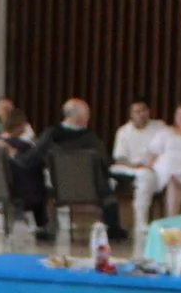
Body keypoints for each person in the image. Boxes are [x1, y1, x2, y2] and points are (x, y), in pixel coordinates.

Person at [17, 97, 117, 238]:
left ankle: (45, 225)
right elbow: (104, 163)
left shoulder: (50, 135)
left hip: (58, 188)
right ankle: (113, 229)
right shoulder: (91, 138)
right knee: (109, 187)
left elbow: (30, 159)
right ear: (80, 117)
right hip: (92, 190)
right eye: (87, 114)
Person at [111, 99, 168, 232]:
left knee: (146, 177)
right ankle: (109, 222)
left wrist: (149, 164)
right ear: (131, 114)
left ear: (149, 112)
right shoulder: (123, 131)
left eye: (144, 110)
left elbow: (167, 151)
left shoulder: (160, 128)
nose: (141, 114)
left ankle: (140, 222)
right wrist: (133, 165)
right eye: (137, 111)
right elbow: (119, 158)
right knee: (106, 175)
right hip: (129, 168)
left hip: (152, 168)